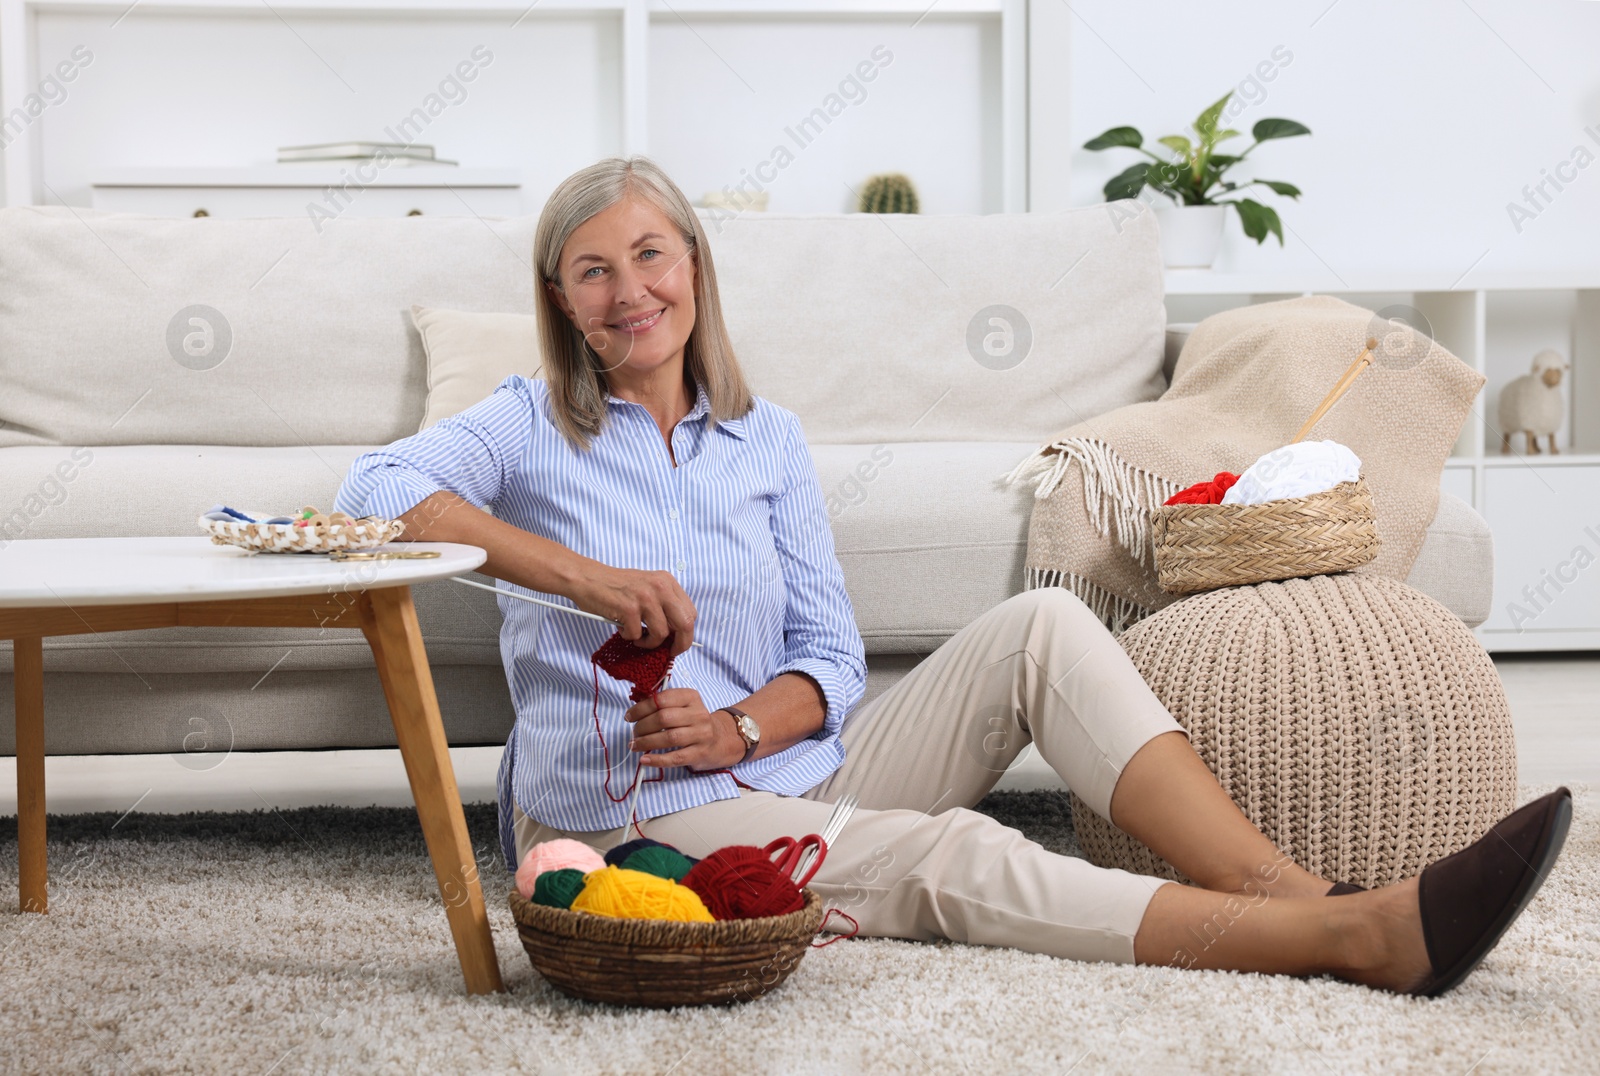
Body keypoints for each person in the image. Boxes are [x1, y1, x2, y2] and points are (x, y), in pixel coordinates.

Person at [333, 156, 1570, 997]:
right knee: (943, 858)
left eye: (648, 255)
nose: (627, 291)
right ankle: (1349, 933)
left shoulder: (766, 438)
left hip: (782, 761)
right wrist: (584, 574)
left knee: (1039, 626)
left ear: (694, 267)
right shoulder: (528, 420)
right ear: (561, 299)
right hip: (631, 817)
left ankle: (1275, 886)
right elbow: (369, 495)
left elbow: (827, 653)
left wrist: (741, 723)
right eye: (591, 271)